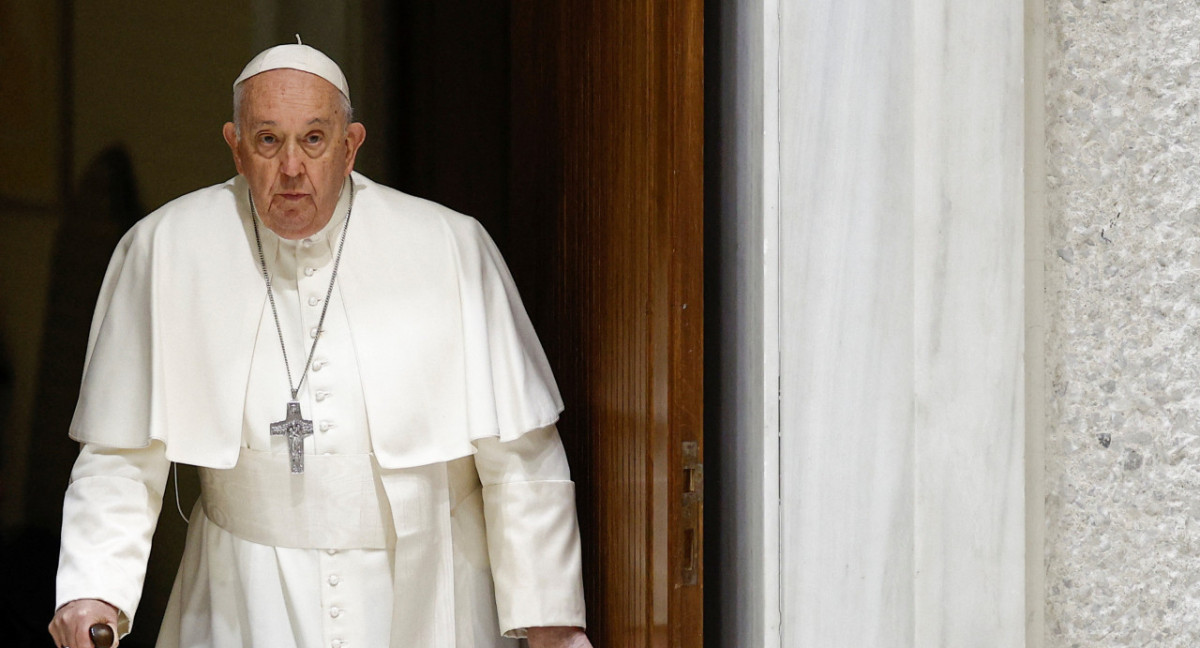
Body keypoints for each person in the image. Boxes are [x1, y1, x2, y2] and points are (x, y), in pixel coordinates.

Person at [48, 42, 591, 648]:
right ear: (234, 144)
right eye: (268, 140)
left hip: (426, 594)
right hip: (241, 598)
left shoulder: (450, 246)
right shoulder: (165, 249)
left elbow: (520, 456)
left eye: (313, 139)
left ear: (351, 144)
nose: (291, 169)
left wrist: (549, 620)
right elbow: (119, 455)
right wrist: (93, 586)